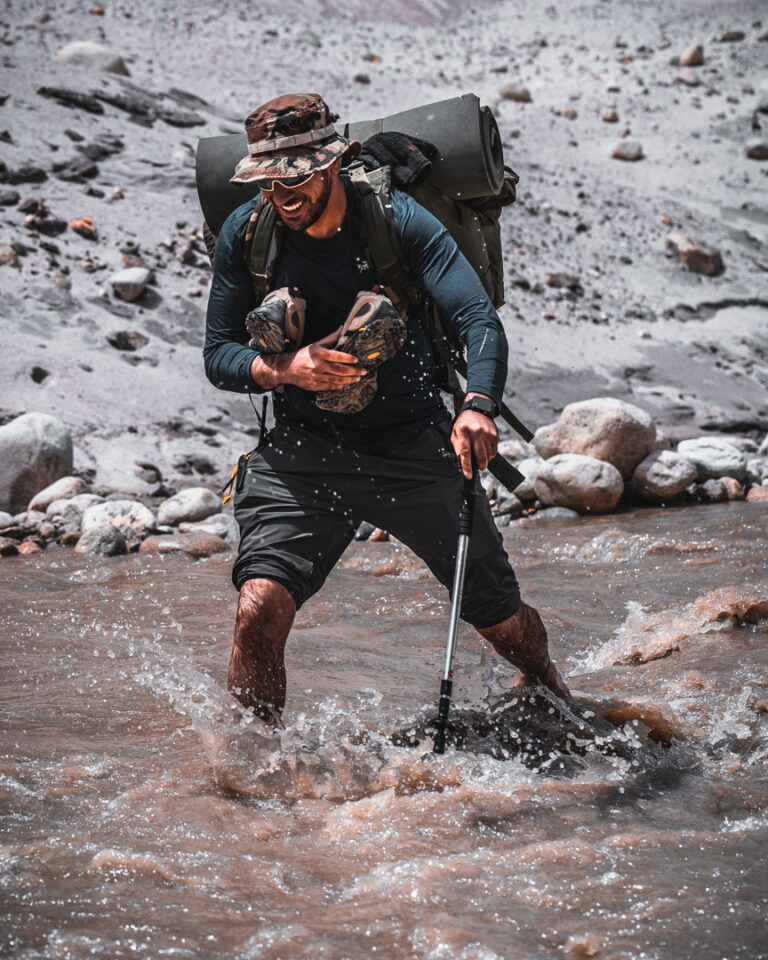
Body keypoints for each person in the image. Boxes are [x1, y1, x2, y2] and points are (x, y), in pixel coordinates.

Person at [204, 93, 570, 723]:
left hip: (412, 448)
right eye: (267, 180)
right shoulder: (247, 232)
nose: (280, 194)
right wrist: (285, 368)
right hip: (303, 456)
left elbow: (477, 319)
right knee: (258, 607)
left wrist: (477, 407)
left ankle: (552, 692)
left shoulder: (397, 220)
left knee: (503, 622)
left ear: (332, 162)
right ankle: (253, 765)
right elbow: (218, 355)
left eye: (294, 177)